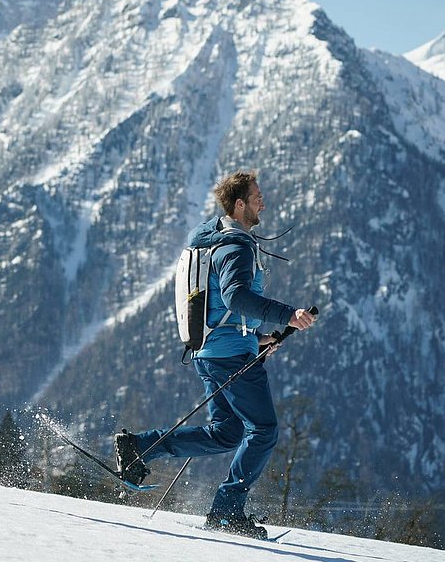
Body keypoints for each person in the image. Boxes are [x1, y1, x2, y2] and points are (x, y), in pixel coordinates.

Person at [115, 171, 316, 539]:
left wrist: (258, 338)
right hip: (228, 356)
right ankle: (226, 511)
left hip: (214, 350)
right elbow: (238, 298)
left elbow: (222, 308)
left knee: (227, 433)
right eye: (257, 197)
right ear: (239, 205)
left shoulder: (218, 243)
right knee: (265, 430)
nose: (263, 202)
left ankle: (140, 447)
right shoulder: (235, 247)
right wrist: (288, 315)